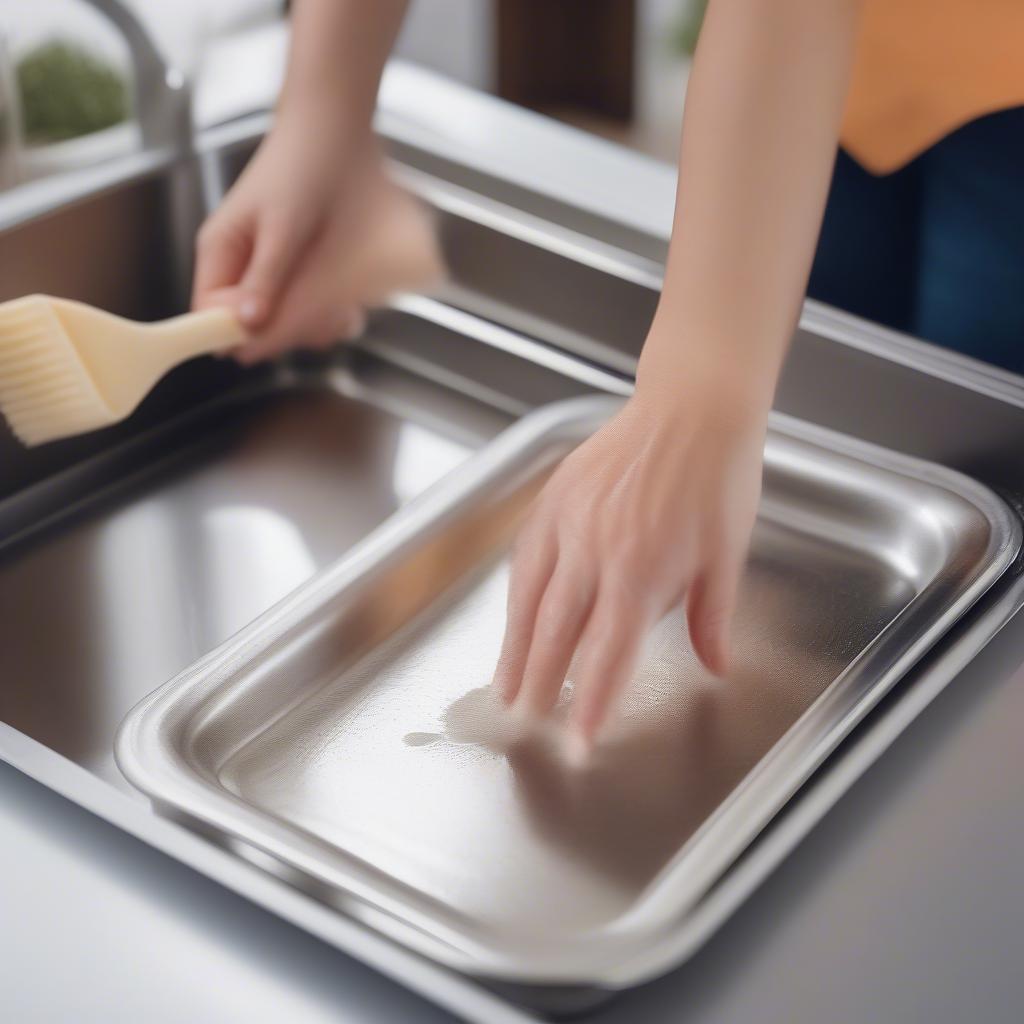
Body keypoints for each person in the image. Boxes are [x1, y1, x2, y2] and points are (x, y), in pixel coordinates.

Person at [192, 0, 1024, 757]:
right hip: (848, 53)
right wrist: (322, 113)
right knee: (843, 409)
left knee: (985, 463)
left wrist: (698, 390)